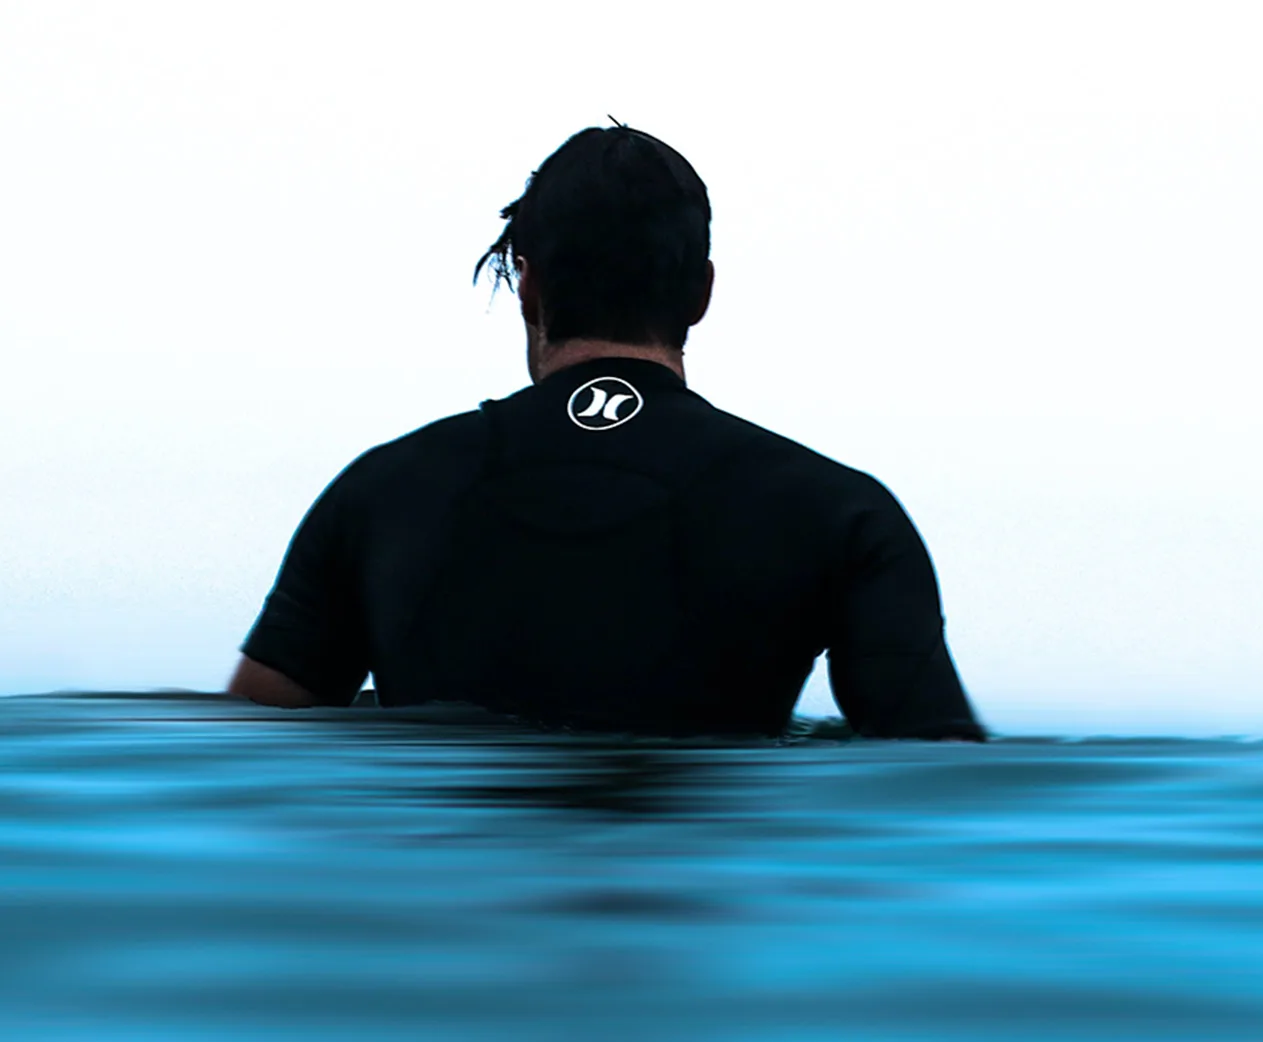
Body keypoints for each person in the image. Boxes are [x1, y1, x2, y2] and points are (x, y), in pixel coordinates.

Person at [226, 122, 984, 741]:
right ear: (702, 292)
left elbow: (241, 757)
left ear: (529, 284)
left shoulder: (380, 493)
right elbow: (940, 790)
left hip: (448, 912)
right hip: (711, 915)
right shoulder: (841, 515)